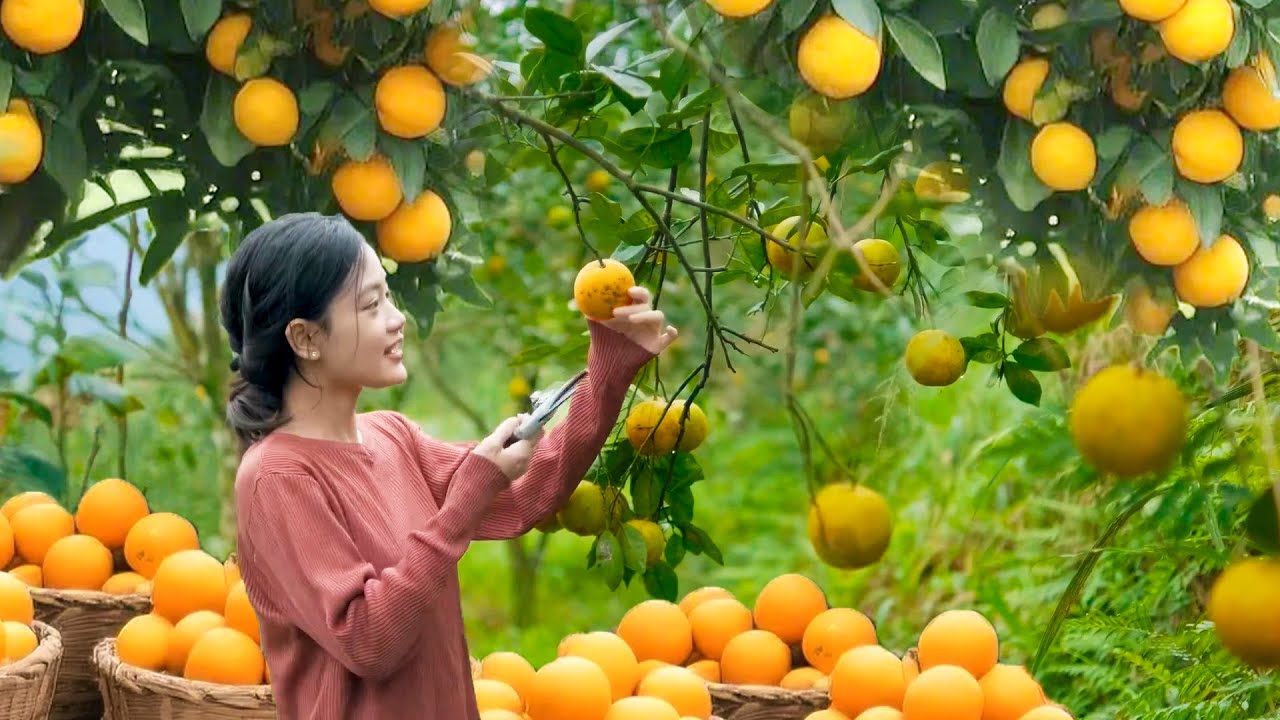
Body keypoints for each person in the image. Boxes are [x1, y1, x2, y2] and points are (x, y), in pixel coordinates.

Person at [219, 212, 677, 719]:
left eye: (388, 296)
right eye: (371, 305)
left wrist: (609, 367)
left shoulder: (389, 434)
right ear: (306, 338)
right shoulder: (278, 478)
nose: (396, 319)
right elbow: (368, 640)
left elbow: (529, 489)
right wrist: (463, 503)